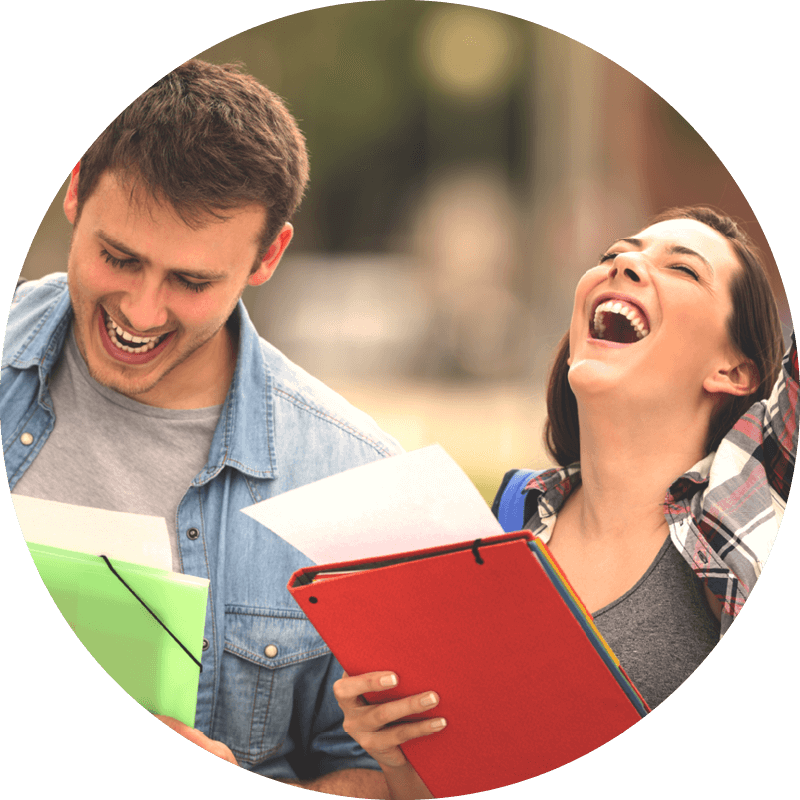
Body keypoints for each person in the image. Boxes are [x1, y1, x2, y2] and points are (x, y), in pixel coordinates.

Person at [1, 59, 402, 795]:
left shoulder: (358, 481)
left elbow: (385, 773)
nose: (142, 312)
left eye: (190, 281)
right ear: (75, 188)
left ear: (269, 255)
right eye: (118, 258)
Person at [333, 206, 796, 799]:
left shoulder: (746, 531)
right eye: (612, 256)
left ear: (734, 370)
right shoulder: (506, 520)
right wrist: (399, 758)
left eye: (682, 269)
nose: (623, 264)